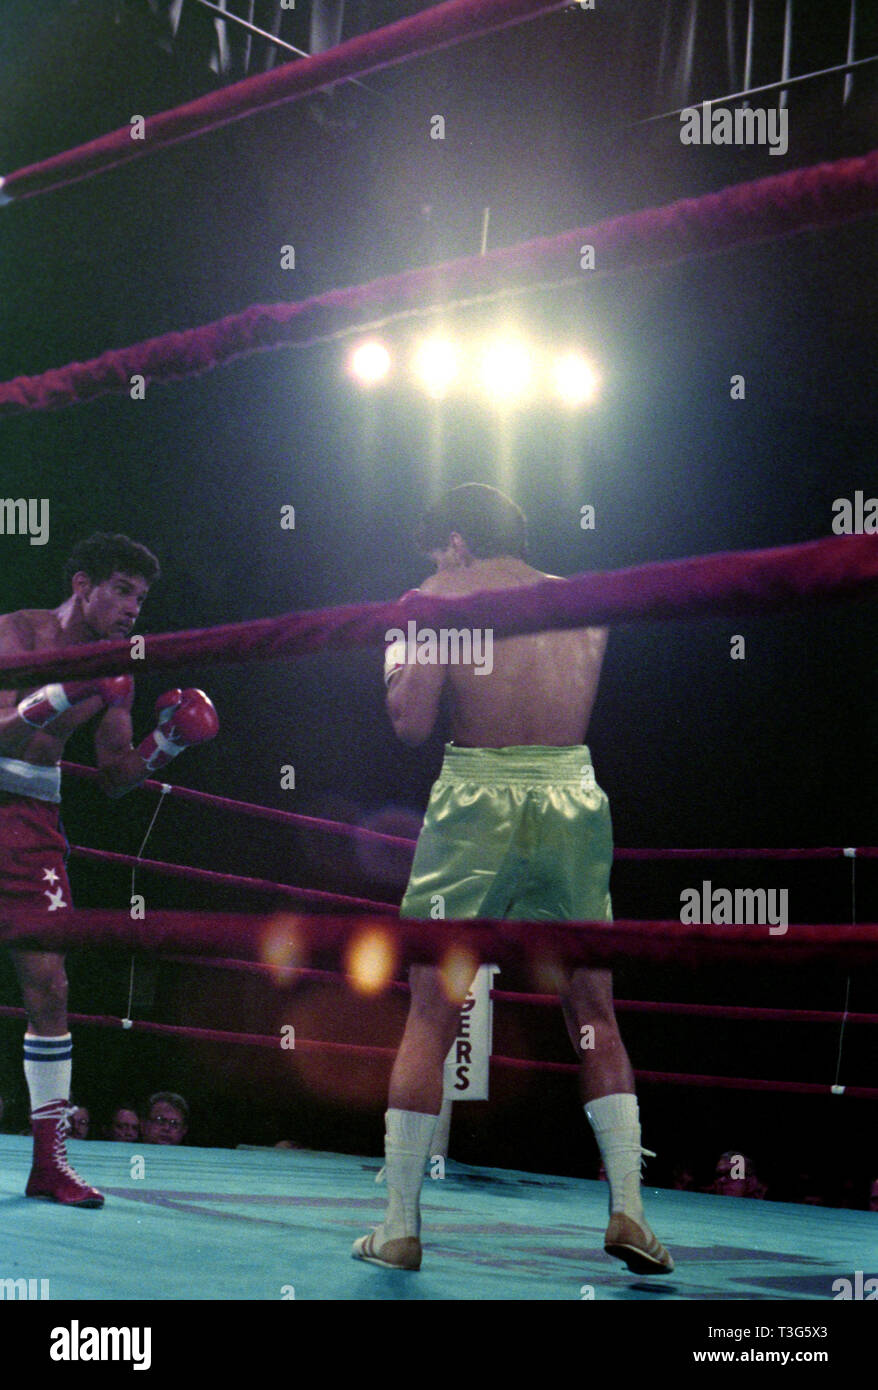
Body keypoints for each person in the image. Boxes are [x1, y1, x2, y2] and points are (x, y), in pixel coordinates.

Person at [353, 484, 673, 1275]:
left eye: (436, 555)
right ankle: (630, 1209)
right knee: (593, 1007)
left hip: (477, 798)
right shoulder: (586, 600)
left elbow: (410, 724)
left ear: (454, 543)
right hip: (572, 793)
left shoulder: (438, 595)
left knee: (433, 1008)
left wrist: (400, 652)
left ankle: (398, 1226)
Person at [0, 532, 219, 1207]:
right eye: (121, 591)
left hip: (32, 821)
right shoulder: (17, 633)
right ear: (82, 585)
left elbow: (115, 777)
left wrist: (168, 741)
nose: (132, 609)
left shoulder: (118, 671)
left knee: (50, 986)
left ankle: (49, 1163)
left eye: (141, 599)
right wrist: (64, 691)